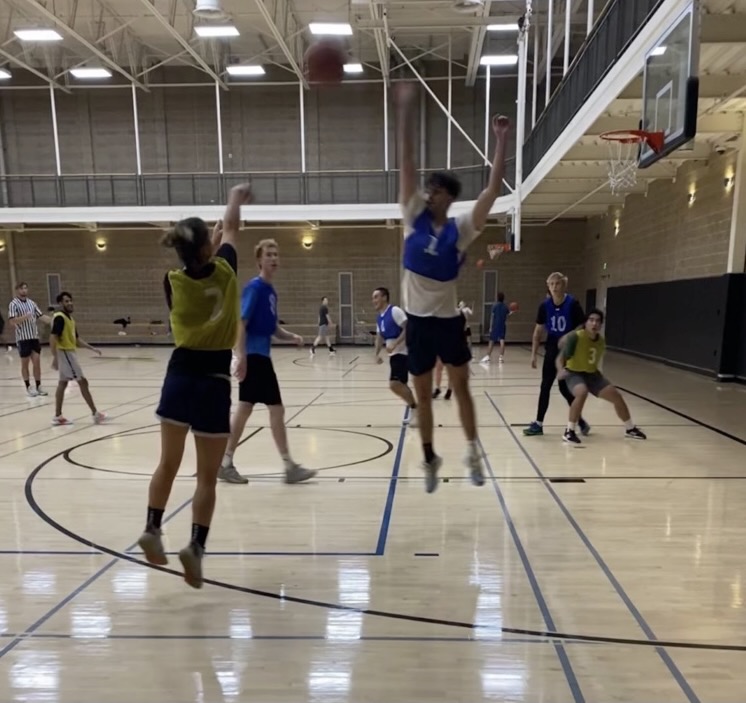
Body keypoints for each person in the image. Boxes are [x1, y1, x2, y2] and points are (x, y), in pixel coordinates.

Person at [394, 80, 510, 493]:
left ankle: (473, 451)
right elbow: (406, 163)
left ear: (447, 197)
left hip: (446, 321)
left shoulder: (460, 230)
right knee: (422, 395)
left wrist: (501, 141)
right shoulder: (413, 215)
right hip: (419, 324)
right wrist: (406, 111)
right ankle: (428, 457)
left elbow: (492, 190)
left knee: (461, 388)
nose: (427, 192)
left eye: (435, 190)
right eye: (427, 188)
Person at [137, 183, 251, 589]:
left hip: (179, 375)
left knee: (167, 464)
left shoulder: (173, 282)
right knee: (206, 478)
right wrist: (235, 198)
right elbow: (233, 231)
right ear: (209, 248)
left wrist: (213, 235)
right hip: (213, 380)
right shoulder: (226, 270)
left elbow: (212, 250)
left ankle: (152, 528)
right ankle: (195, 548)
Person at [219, 239, 317, 485]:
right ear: (259, 260)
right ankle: (283, 465)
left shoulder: (271, 292)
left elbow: (272, 328)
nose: (274, 258)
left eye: (276, 254)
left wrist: (290, 336)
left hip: (262, 357)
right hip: (253, 357)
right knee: (268, 409)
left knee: (249, 408)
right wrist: (240, 356)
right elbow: (241, 322)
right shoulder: (255, 288)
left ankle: (227, 461)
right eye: (269, 254)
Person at [557, 309, 647, 444]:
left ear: (601, 324)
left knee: (616, 395)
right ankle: (569, 431)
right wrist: (560, 370)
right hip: (574, 372)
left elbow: (591, 361)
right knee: (582, 392)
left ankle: (630, 428)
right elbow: (560, 358)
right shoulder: (576, 337)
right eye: (591, 320)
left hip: (592, 374)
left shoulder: (601, 342)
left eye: (598, 321)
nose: (594, 323)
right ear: (586, 323)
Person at [523, 272, 590, 437]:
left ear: (563, 285)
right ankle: (538, 423)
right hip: (552, 347)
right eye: (551, 284)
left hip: (568, 349)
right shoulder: (545, 306)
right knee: (545, 385)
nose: (554, 287)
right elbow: (538, 331)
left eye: (557, 284)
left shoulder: (573, 304)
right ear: (548, 286)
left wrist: (570, 335)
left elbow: (583, 325)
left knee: (563, 388)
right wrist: (533, 354)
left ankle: (579, 420)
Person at [49, 292, 105, 426]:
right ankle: (95, 414)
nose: (69, 303)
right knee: (83, 382)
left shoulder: (71, 319)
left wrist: (92, 348)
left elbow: (77, 340)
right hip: (65, 353)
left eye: (70, 301)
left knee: (62, 384)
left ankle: (58, 416)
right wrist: (55, 357)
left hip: (69, 353)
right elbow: (53, 337)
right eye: (66, 301)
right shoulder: (60, 318)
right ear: (60, 303)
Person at [372, 286, 417, 420]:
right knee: (401, 383)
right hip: (394, 354)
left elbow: (407, 328)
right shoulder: (379, 318)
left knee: (394, 384)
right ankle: (414, 407)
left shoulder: (395, 311)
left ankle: (415, 406)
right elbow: (379, 337)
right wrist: (376, 354)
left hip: (403, 352)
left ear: (384, 297)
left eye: (376, 297)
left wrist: (396, 343)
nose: (373, 300)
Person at [8, 282, 52, 396]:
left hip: (34, 337)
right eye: (22, 289)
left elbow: (41, 316)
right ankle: (28, 386)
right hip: (23, 338)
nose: (24, 291)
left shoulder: (32, 303)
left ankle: (39, 386)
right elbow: (12, 321)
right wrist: (25, 317)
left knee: (37, 362)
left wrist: (54, 320)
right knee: (25, 364)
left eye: (26, 288)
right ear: (17, 290)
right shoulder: (14, 304)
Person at [481, 292, 512, 363]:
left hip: (495, 325)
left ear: (497, 298)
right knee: (502, 341)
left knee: (491, 341)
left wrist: (490, 327)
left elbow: (492, 317)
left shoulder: (494, 306)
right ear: (503, 298)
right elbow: (507, 315)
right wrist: (511, 312)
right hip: (502, 325)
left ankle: (488, 356)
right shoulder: (505, 307)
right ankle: (501, 357)